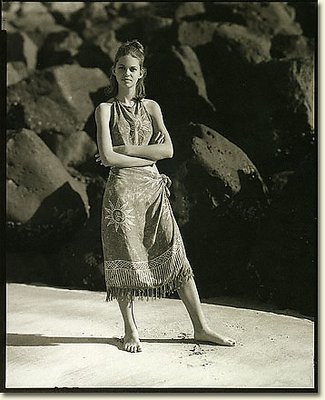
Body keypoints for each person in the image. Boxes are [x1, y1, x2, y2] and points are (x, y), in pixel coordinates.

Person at [95, 40, 236, 353]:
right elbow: (107, 158)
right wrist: (147, 156)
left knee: (176, 252)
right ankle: (131, 331)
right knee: (124, 260)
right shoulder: (104, 110)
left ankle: (201, 327)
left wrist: (128, 150)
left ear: (142, 73)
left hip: (153, 190)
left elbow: (168, 150)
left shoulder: (152, 107)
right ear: (114, 72)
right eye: (121, 68)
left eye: (133, 68)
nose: (126, 73)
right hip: (121, 195)